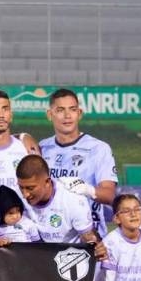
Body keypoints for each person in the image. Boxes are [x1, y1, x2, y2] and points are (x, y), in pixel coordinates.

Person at [40, 88, 119, 235]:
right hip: (52, 236)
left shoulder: (98, 148)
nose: (67, 115)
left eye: (72, 109)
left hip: (90, 236)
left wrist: (87, 189)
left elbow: (110, 195)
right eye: (60, 110)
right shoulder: (42, 148)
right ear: (50, 115)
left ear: (79, 113)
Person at [15, 155, 104, 254]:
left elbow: (89, 238)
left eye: (30, 188)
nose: (25, 194)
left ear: (47, 182)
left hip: (67, 257)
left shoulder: (72, 199)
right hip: (33, 255)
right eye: (21, 187)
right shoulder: (15, 196)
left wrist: (98, 248)